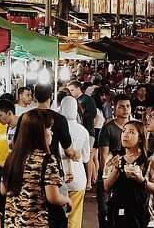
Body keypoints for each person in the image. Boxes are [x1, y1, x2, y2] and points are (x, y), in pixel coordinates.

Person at [2, 109, 72, 228]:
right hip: (36, 223)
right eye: (48, 129)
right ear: (39, 132)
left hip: (12, 223)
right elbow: (53, 197)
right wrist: (67, 200)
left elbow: (3, 190)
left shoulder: (12, 157)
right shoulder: (47, 160)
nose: (51, 133)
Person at [104, 120, 154, 228]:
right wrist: (116, 169)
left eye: (131, 132)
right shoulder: (114, 157)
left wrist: (141, 180)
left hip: (143, 215)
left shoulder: (150, 159)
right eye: (124, 131)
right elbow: (106, 186)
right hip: (117, 213)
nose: (125, 134)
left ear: (141, 138)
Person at [97, 94, 133, 227]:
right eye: (122, 106)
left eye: (128, 106)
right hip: (109, 175)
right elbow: (103, 158)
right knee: (105, 212)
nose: (125, 109)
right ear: (115, 108)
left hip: (130, 176)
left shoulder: (136, 128)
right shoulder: (107, 129)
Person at [58, 96, 91, 228]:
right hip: (78, 177)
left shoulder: (55, 128)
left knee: (59, 216)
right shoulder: (83, 131)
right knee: (75, 216)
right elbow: (86, 158)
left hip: (58, 176)